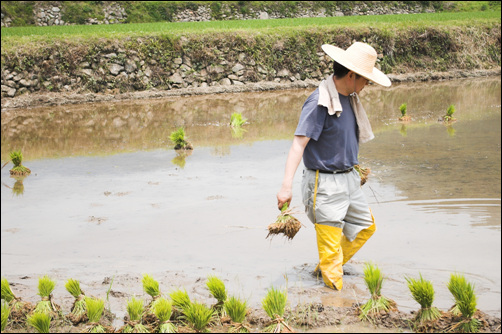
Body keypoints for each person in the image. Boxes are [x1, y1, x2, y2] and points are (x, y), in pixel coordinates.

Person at [276, 42, 391, 290]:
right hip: (325, 184)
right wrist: (286, 187)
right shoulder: (319, 102)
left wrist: (353, 167)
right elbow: (298, 145)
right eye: (366, 80)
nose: (367, 85)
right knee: (330, 254)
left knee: (365, 227)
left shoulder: (349, 99)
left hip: (349, 179)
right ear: (351, 75)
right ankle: (335, 302)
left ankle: (326, 269)